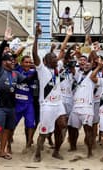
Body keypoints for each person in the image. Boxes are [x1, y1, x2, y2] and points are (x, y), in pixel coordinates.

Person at [0, 28, 28, 162]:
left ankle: (2, 151)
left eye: (13, 60)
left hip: (11, 107)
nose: (12, 62)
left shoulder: (15, 74)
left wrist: (40, 69)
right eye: (10, 60)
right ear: (3, 62)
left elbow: (29, 78)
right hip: (0, 106)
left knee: (7, 130)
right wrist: (5, 41)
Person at [33, 23, 67, 162]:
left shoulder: (58, 70)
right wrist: (36, 36)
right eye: (52, 58)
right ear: (46, 61)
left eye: (55, 58)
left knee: (63, 125)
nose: (55, 59)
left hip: (59, 104)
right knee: (44, 132)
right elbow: (34, 54)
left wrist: (67, 38)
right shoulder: (42, 69)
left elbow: (62, 53)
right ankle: (37, 153)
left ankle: (56, 151)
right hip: (47, 105)